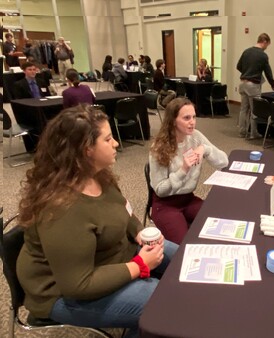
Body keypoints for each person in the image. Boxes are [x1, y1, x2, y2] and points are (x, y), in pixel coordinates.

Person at [16, 105, 178, 338]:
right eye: (108, 139)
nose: (116, 144)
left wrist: (138, 232)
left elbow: (123, 211)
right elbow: (78, 285)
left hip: (110, 259)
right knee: (161, 301)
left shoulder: (98, 175)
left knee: (180, 258)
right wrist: (139, 266)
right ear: (86, 149)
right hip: (62, 294)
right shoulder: (62, 210)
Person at [149, 98, 229, 244]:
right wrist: (183, 169)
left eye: (193, 117)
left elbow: (224, 162)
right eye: (186, 118)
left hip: (188, 199)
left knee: (220, 225)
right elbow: (160, 190)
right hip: (165, 204)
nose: (192, 122)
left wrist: (205, 149)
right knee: (185, 246)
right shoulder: (159, 147)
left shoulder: (195, 137)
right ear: (173, 121)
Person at [237, 33, 274, 139]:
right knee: (255, 110)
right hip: (253, 85)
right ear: (264, 42)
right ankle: (253, 133)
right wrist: (272, 84)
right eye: (267, 45)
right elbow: (268, 72)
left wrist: (247, 72)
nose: (266, 48)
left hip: (242, 83)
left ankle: (242, 132)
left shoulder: (246, 51)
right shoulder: (263, 55)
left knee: (243, 109)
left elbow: (238, 66)